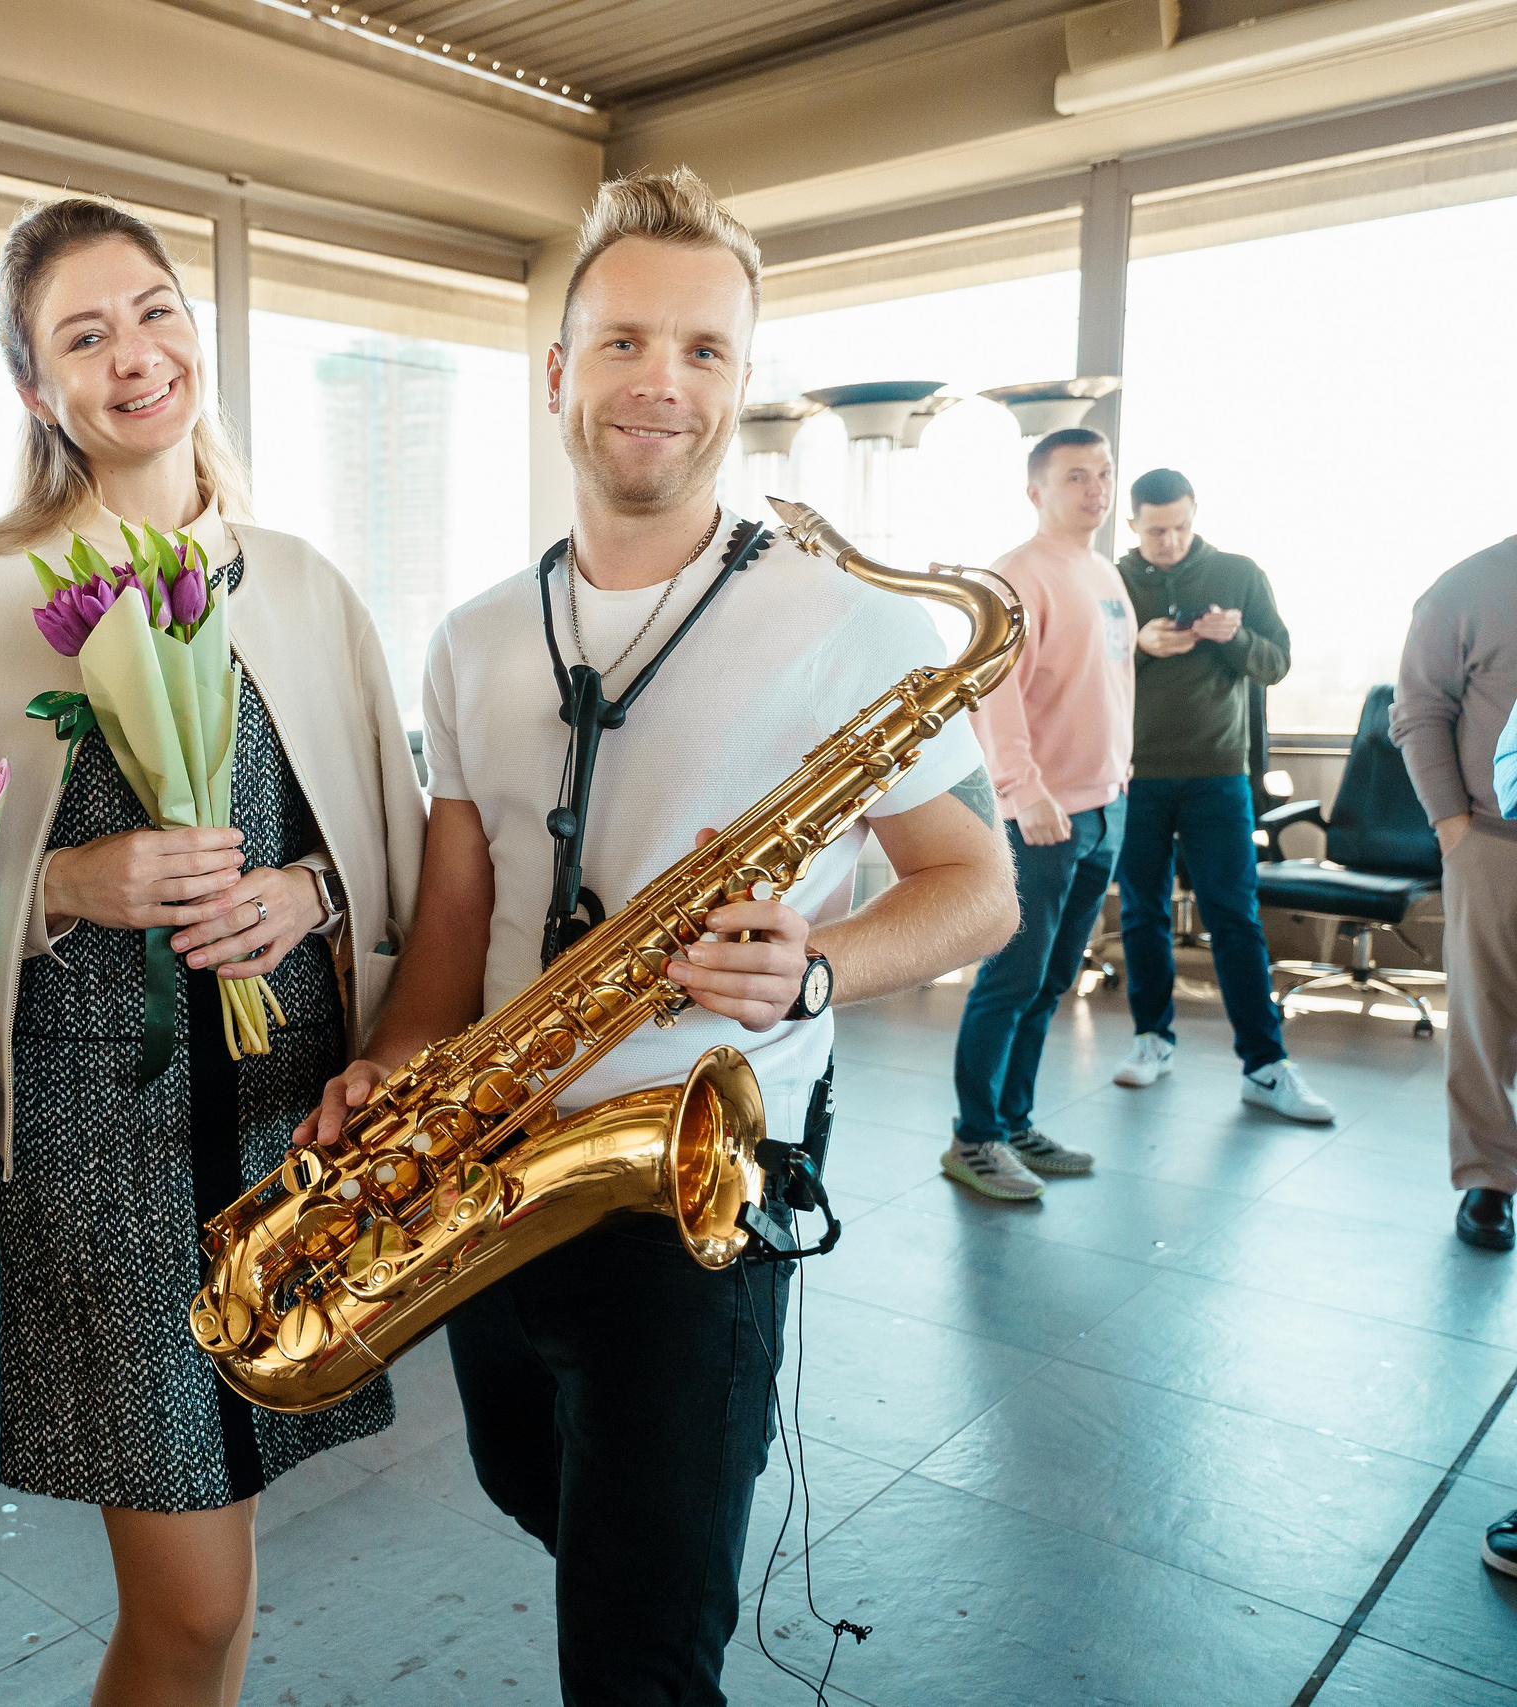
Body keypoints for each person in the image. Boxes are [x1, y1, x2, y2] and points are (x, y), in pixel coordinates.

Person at [297, 167, 1018, 1707]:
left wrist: (818, 965)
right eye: (625, 341)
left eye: (703, 351)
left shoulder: (848, 619)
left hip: (699, 1180)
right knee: (528, 1484)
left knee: (635, 1646)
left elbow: (979, 886)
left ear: (738, 382)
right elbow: (457, 915)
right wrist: (392, 1070)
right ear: (558, 370)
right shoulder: (476, 634)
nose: (661, 384)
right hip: (494, 1169)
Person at [0, 198, 427, 1707]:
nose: (134, 356)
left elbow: (379, 838)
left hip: (283, 1108)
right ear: (33, 389)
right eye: (84, 334)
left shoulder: (301, 581)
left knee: (229, 1558)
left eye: (153, 311)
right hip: (98, 1135)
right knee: (191, 1592)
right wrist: (68, 876)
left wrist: (309, 898)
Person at [943, 426, 1134, 1200]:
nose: (1096, 489)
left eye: (1104, 474)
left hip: (1105, 808)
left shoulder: (1105, 573)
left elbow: (1113, 684)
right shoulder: (1015, 576)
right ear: (1036, 491)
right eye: (1076, 477)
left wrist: (1123, 776)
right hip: (1044, 816)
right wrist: (1025, 793)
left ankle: (1014, 1120)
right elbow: (994, 695)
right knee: (1011, 977)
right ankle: (974, 1137)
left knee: (1054, 979)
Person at [1109, 469, 1333, 1122]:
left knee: (1234, 915)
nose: (1170, 540)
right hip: (1133, 774)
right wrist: (1141, 647)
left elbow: (1276, 663)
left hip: (1218, 777)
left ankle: (1265, 1065)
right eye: (1156, 530)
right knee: (1141, 912)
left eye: (1180, 525)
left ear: (1194, 513)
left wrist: (1230, 636)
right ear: (1132, 525)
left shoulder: (1240, 573)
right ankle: (1152, 1038)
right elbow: (1080, 670)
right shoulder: (1110, 582)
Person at [1391, 534, 1517, 1252]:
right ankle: (1489, 1180)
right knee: (1484, 1016)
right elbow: (1418, 708)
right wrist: (1453, 829)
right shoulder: (1468, 588)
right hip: (1494, 841)